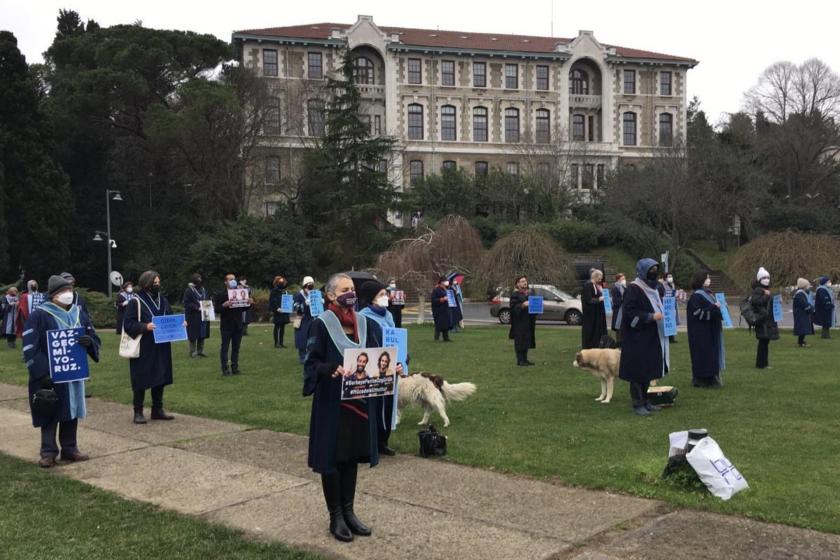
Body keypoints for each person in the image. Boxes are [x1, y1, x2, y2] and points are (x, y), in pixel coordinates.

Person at [303, 272, 403, 542]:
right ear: (331, 295)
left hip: (359, 401)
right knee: (333, 457)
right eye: (345, 289)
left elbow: (376, 357)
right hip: (331, 402)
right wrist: (328, 369)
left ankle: (349, 511)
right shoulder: (321, 324)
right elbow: (311, 363)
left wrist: (390, 367)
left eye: (352, 289)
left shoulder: (365, 324)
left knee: (351, 456)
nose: (351, 293)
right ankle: (335, 515)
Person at [23, 275, 101, 467]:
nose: (68, 294)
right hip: (49, 374)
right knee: (49, 411)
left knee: (71, 410)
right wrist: (42, 373)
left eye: (70, 291)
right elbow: (30, 347)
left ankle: (70, 448)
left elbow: (93, 337)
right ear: (54, 295)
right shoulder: (39, 315)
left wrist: (89, 342)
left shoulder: (79, 313)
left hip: (72, 373)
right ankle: (48, 452)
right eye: (63, 291)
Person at [122, 270, 177, 424]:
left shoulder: (163, 300)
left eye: (159, 283)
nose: (157, 285)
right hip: (144, 346)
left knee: (161, 377)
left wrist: (180, 324)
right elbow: (128, 324)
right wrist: (145, 326)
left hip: (162, 345)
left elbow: (170, 318)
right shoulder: (136, 301)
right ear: (146, 284)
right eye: (155, 283)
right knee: (141, 378)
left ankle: (157, 409)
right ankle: (138, 411)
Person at [618, 259, 668, 416]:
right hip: (636, 337)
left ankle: (646, 400)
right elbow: (629, 313)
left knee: (647, 369)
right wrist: (650, 317)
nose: (653, 272)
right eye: (650, 269)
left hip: (650, 335)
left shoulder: (653, 288)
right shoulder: (634, 289)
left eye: (655, 269)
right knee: (637, 371)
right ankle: (637, 403)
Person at [357, 279, 400, 456]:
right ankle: (370, 443)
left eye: (385, 294)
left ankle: (383, 440)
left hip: (391, 368)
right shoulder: (364, 318)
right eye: (381, 295)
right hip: (375, 368)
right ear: (371, 299)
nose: (386, 297)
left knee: (388, 405)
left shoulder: (388, 316)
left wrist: (403, 357)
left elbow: (397, 338)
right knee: (374, 406)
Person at [686, 271, 724, 388]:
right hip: (701, 333)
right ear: (701, 280)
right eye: (706, 278)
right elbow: (698, 314)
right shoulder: (696, 296)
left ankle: (711, 377)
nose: (709, 279)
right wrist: (714, 307)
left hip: (710, 331)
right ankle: (703, 379)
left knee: (711, 354)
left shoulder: (708, 294)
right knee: (703, 355)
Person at [214, 273, 252, 376]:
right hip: (226, 325)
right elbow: (216, 309)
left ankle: (235, 367)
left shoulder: (239, 293)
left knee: (236, 348)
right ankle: (225, 368)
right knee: (225, 347)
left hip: (237, 324)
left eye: (234, 279)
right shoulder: (220, 294)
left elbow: (242, 307)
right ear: (225, 282)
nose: (233, 281)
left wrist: (249, 303)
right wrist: (224, 305)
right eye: (230, 279)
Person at [750, 267, 778, 369]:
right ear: (759, 279)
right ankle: (761, 364)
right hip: (762, 320)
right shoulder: (758, 290)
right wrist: (766, 296)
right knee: (763, 341)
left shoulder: (766, 290)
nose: (767, 279)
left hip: (766, 320)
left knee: (765, 341)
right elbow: (756, 302)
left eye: (768, 277)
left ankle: (764, 363)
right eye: (764, 277)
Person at [509, 275, 536, 366]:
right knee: (520, 341)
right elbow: (512, 308)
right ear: (518, 284)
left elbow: (533, 305)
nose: (525, 282)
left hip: (527, 321)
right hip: (519, 323)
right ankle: (520, 360)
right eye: (522, 281)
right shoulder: (515, 294)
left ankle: (525, 359)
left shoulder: (528, 293)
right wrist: (522, 306)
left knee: (526, 340)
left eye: (525, 281)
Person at [182, 274, 210, 358]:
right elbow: (186, 303)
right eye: (197, 279)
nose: (199, 280)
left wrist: (209, 305)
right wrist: (196, 307)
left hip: (203, 315)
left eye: (200, 279)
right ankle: (193, 352)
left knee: (202, 333)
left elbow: (207, 299)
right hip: (193, 315)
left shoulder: (203, 290)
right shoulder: (189, 290)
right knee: (193, 334)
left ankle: (200, 350)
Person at [581, 269, 607, 349]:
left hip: (596, 313)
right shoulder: (588, 285)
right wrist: (599, 299)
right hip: (590, 314)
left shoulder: (595, 285)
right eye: (599, 278)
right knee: (590, 331)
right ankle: (589, 345)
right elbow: (588, 299)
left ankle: (596, 344)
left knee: (596, 331)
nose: (601, 279)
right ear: (595, 277)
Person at [294, 276, 317, 363]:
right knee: (302, 338)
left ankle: (311, 356)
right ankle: (302, 357)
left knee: (312, 338)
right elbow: (295, 307)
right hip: (302, 319)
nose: (310, 288)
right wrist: (304, 304)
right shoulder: (299, 295)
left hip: (312, 319)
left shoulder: (314, 294)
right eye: (308, 286)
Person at [269, 275, 291, 348]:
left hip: (284, 310)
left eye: (283, 281)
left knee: (282, 326)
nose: (282, 283)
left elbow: (288, 299)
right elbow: (272, 301)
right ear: (277, 282)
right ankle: (276, 343)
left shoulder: (285, 291)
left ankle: (281, 343)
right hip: (278, 311)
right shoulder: (274, 291)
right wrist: (276, 308)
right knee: (277, 326)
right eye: (280, 281)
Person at [792, 277, 814, 347]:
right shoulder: (799, 295)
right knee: (802, 328)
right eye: (807, 286)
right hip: (800, 314)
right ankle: (801, 342)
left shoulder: (802, 294)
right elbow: (804, 304)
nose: (809, 288)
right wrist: (810, 308)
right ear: (804, 286)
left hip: (802, 314)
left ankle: (801, 341)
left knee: (803, 327)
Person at [430, 277, 451, 342]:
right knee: (439, 324)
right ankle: (436, 338)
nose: (447, 282)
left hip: (445, 309)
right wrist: (442, 299)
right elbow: (433, 300)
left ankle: (446, 338)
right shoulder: (436, 290)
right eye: (445, 281)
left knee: (446, 323)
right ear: (441, 282)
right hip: (438, 310)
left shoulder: (445, 289)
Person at [662, 272, 679, 343]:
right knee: (668, 321)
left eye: (671, 276)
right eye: (669, 276)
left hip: (672, 305)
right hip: (666, 306)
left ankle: (672, 338)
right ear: (665, 278)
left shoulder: (672, 285)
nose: (670, 278)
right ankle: (668, 338)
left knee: (672, 321)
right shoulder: (663, 285)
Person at [610, 274, 626, 347]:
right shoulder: (615, 288)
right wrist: (623, 300)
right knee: (618, 326)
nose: (624, 280)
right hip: (618, 310)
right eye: (623, 278)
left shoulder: (624, 287)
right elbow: (616, 300)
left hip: (623, 309)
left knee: (623, 327)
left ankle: (623, 342)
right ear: (618, 279)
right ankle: (619, 343)